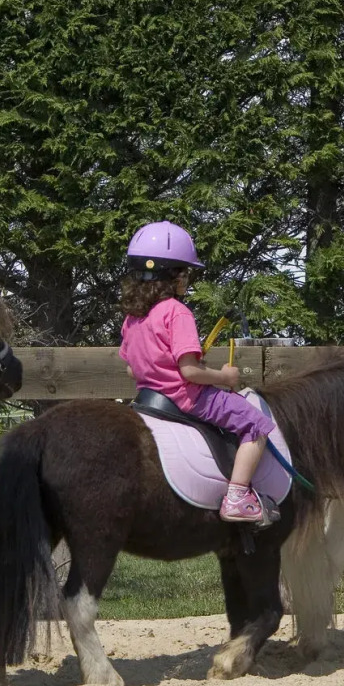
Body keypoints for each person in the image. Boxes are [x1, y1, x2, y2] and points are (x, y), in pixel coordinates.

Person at [119, 222, 274, 523]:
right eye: (186, 273)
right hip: (186, 398)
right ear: (172, 276)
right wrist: (225, 377)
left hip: (148, 397)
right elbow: (189, 371)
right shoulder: (177, 312)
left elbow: (130, 368)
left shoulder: (133, 317)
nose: (188, 280)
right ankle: (237, 497)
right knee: (256, 425)